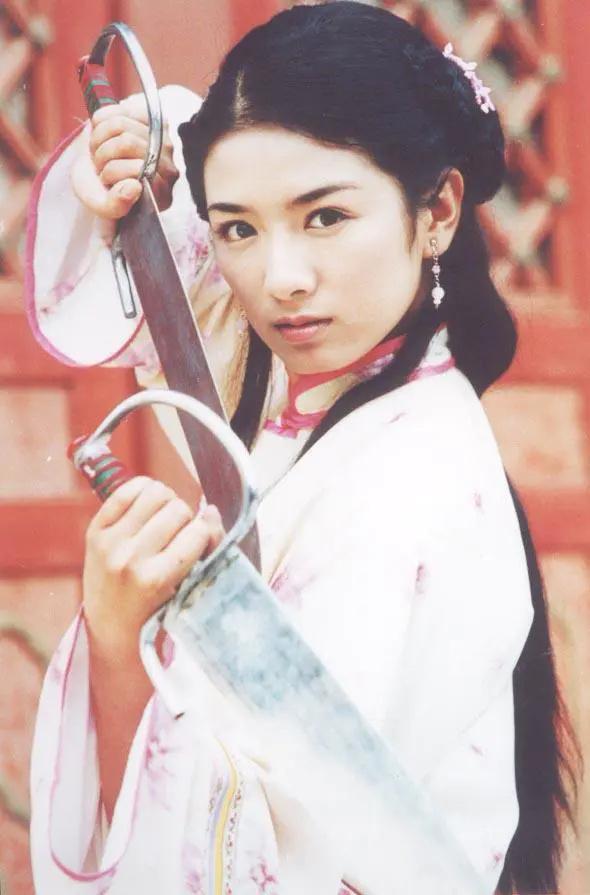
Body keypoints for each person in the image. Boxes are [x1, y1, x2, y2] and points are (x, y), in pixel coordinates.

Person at [25, 3, 578, 893]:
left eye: (325, 217)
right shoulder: (322, 399)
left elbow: (263, 861)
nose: (279, 279)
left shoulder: (405, 492)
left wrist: (121, 645)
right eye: (238, 228)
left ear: (437, 209)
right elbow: (188, 310)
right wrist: (151, 173)